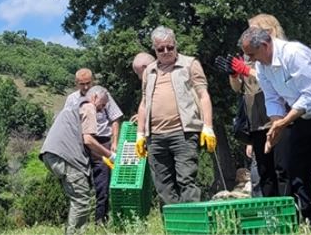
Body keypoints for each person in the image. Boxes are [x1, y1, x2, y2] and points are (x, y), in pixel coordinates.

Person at [239, 26, 311, 226]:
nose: (251, 60)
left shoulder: (293, 54)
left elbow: (309, 96)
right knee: (295, 168)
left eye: (252, 55)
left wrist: (284, 122)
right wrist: (275, 127)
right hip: (303, 116)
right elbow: (273, 99)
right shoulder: (263, 67)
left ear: (264, 45)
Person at [135, 26, 215, 205]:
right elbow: (144, 102)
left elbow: (203, 95)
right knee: (163, 185)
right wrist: (140, 134)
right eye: (160, 49)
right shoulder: (149, 71)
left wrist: (208, 127)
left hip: (183, 133)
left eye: (169, 47)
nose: (165, 52)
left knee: (186, 180)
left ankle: (193, 226)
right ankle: (173, 227)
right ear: (154, 49)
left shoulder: (190, 64)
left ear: (175, 45)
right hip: (155, 137)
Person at [217, 14, 290, 198]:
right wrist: (233, 74)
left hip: (279, 119)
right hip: (256, 122)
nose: (250, 33)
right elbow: (237, 89)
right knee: (264, 174)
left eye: (254, 30)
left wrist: (246, 69)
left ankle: (292, 212)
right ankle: (270, 215)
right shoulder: (248, 56)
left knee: (283, 169)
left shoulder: (279, 52)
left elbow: (269, 77)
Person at [40, 86, 116, 235]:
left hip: (51, 154)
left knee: (76, 198)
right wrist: (110, 155)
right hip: (66, 157)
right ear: (94, 97)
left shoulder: (73, 107)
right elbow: (88, 140)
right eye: (102, 105)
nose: (102, 109)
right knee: (81, 200)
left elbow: (83, 141)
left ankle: (71, 230)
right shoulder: (89, 107)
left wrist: (100, 158)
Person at [63, 69, 123, 224]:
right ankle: (79, 222)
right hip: (80, 144)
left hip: (101, 142)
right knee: (79, 185)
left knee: (102, 185)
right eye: (81, 84)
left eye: (88, 83)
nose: (85, 87)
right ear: (76, 83)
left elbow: (115, 118)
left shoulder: (103, 94)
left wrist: (114, 142)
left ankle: (100, 222)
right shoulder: (72, 99)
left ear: (93, 81)